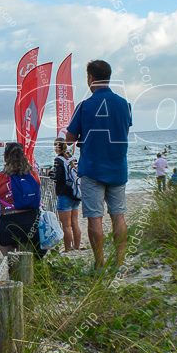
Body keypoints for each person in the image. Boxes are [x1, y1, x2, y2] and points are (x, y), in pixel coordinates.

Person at [65, 59, 133, 270]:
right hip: (118, 167)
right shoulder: (125, 105)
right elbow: (124, 131)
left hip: (92, 169)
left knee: (95, 218)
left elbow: (69, 139)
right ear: (109, 77)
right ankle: (120, 261)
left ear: (90, 78)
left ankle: (99, 263)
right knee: (118, 215)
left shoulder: (84, 106)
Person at [0, 142, 43, 256]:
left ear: (5, 157)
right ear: (23, 156)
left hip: (9, 228)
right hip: (33, 226)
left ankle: (9, 262)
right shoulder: (34, 176)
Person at [52, 138, 83, 252]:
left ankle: (68, 249)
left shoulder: (58, 159)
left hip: (64, 194)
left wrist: (50, 172)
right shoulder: (72, 158)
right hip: (75, 192)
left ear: (57, 147)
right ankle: (77, 247)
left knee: (66, 225)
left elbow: (57, 177)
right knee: (75, 223)